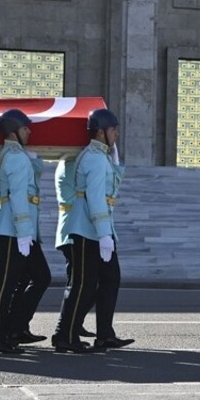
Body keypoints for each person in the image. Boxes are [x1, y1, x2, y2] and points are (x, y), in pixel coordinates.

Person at [53, 108, 133, 353]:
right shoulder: (95, 159)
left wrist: (115, 162)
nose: (116, 134)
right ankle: (64, 335)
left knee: (110, 279)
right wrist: (104, 234)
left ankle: (104, 334)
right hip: (88, 231)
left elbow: (109, 192)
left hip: (96, 230)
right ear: (100, 132)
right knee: (83, 284)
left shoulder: (101, 157)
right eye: (112, 130)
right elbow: (97, 198)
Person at [0, 108, 51, 354]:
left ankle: (14, 328)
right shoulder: (15, 158)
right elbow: (19, 196)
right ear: (13, 131)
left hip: (16, 229)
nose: (29, 131)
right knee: (5, 284)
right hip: (14, 230)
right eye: (24, 128)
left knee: (37, 277)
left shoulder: (6, 156)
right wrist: (23, 232)